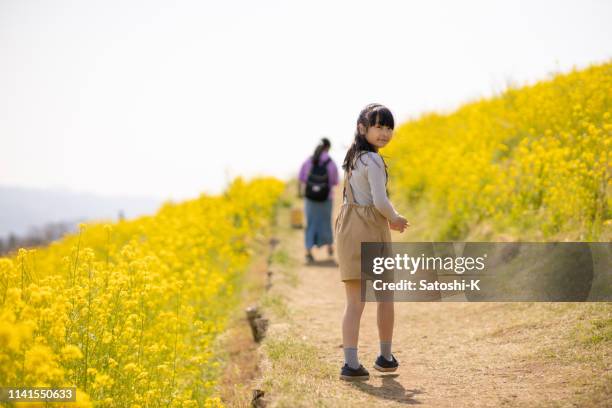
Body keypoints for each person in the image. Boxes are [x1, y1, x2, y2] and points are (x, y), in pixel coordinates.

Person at [334, 103, 410, 381]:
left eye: (389, 127)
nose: (385, 132)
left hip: (348, 226)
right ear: (362, 128)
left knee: (354, 302)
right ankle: (386, 358)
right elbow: (379, 200)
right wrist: (395, 217)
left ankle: (350, 364)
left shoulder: (354, 158)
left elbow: (360, 197)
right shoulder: (375, 161)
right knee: (385, 297)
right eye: (378, 126)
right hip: (370, 228)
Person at [298, 138, 339, 264]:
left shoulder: (309, 161)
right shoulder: (331, 163)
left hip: (310, 198)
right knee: (326, 222)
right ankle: (329, 247)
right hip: (326, 198)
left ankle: (308, 252)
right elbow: (335, 181)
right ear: (328, 148)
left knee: (310, 224)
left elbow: (301, 177)